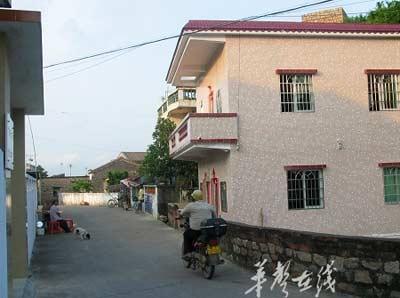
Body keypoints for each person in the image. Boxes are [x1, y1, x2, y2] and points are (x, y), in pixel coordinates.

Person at [180, 190, 216, 259]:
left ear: (194, 198)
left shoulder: (190, 206)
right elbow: (214, 216)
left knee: (186, 234)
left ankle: (188, 253)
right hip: (208, 230)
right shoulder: (209, 205)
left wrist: (179, 215)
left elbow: (182, 213)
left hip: (196, 230)